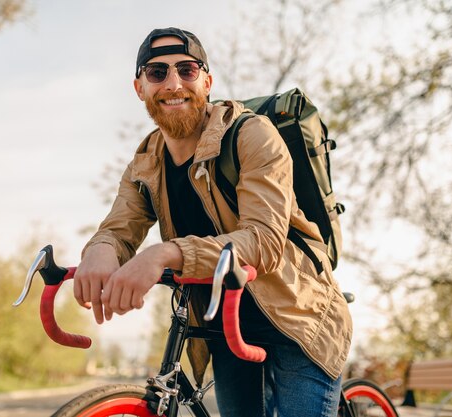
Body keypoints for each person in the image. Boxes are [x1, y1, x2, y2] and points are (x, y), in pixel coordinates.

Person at [74, 27, 352, 417]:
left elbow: (264, 242)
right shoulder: (146, 160)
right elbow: (119, 227)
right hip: (227, 326)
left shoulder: (252, 135)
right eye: (157, 73)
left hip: (299, 318)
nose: (173, 84)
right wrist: (100, 251)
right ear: (139, 87)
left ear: (207, 81)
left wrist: (165, 253)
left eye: (186, 70)